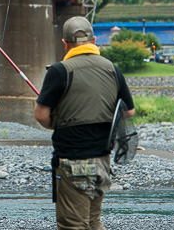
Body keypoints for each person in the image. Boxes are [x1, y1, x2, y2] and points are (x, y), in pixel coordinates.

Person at [34, 16, 135, 230]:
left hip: (72, 160)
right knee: (92, 223)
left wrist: (64, 119)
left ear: (64, 43)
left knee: (73, 225)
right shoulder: (112, 69)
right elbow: (129, 110)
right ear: (94, 39)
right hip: (102, 161)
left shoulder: (59, 71)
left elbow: (41, 114)